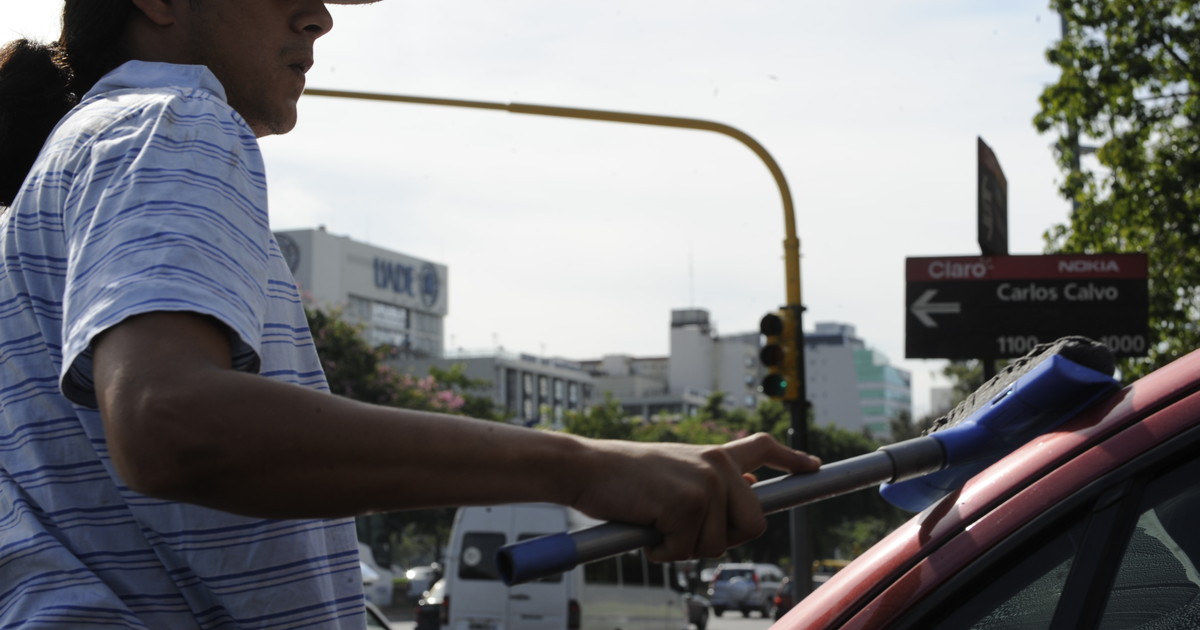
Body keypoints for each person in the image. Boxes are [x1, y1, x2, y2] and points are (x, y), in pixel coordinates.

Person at [0, 1, 821, 627]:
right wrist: (585, 468)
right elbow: (167, 420)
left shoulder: (82, 153)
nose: (318, 17)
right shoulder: (173, 118)